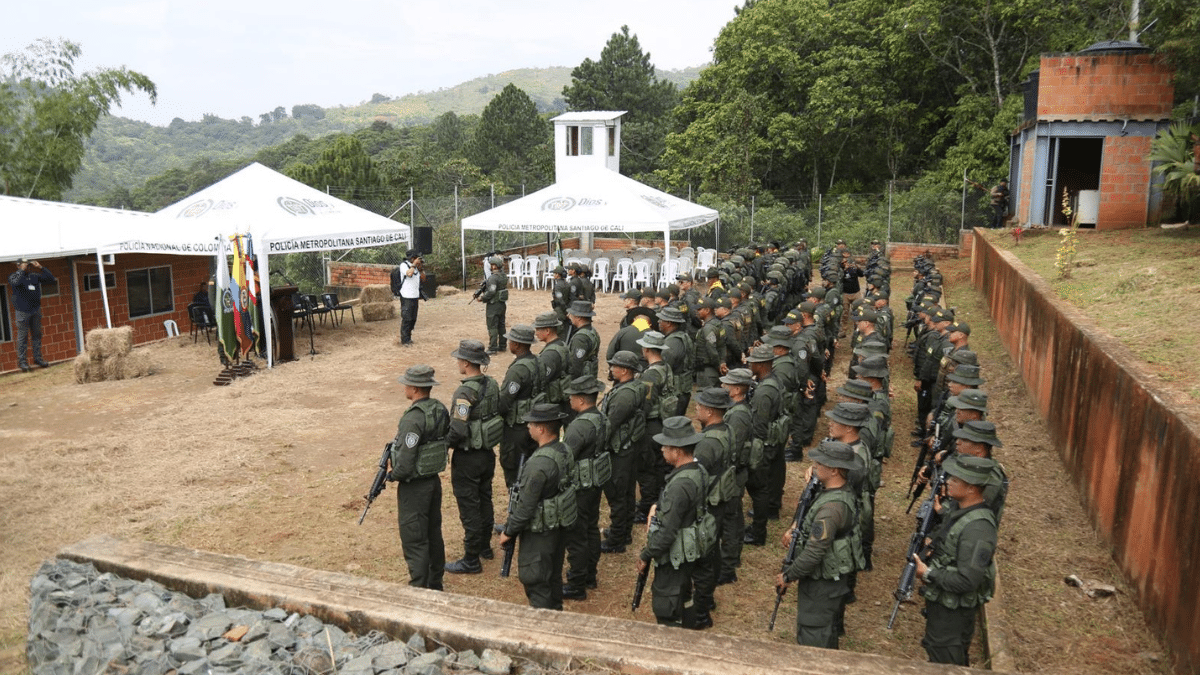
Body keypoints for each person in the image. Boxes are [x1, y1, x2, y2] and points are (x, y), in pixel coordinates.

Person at [775, 441, 865, 649]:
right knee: (826, 629)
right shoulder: (835, 491)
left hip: (822, 584)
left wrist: (789, 575)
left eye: (820, 463)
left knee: (814, 633)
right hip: (829, 581)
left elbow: (814, 553)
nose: (815, 466)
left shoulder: (831, 510)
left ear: (834, 470)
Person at [913, 454, 1000, 666]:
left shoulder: (978, 528)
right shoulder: (960, 510)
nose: (948, 482)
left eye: (955, 480)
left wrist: (928, 573)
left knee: (947, 659)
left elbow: (968, 580)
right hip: (944, 604)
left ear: (971, 488)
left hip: (954, 613)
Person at [499, 403, 578, 610]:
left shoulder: (538, 464)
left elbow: (525, 506)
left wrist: (509, 531)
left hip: (540, 532)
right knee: (552, 577)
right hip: (558, 527)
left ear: (541, 429)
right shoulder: (564, 450)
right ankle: (556, 613)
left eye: (531, 424)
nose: (528, 428)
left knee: (536, 580)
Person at [636, 416, 712, 628]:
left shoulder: (679, 486)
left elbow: (667, 533)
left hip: (675, 556)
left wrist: (645, 555)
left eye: (665, 447)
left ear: (677, 451)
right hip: (691, 550)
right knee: (684, 597)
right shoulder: (699, 470)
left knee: (666, 605)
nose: (661, 450)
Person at [389, 364, 450, 590]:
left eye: (407, 383)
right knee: (434, 532)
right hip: (433, 481)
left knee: (414, 538)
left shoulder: (412, 419)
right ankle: (436, 582)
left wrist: (392, 474)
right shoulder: (439, 409)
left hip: (414, 487)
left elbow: (405, 463)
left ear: (414, 388)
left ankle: (419, 586)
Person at [444, 340, 500, 575]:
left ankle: (471, 559)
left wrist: (443, 445)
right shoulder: (492, 384)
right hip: (487, 455)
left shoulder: (465, 392)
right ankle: (485, 547)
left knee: (469, 507)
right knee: (485, 500)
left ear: (466, 363)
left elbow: (457, 430)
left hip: (468, 458)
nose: (458, 362)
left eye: (459, 359)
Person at [561, 376, 610, 600]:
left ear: (581, 399)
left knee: (577, 535)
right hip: (594, 483)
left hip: (579, 487)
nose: (569, 399)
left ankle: (576, 583)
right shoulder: (601, 418)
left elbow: (566, 457)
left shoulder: (579, 425)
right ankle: (590, 574)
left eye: (572, 395)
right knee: (591, 528)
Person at [599, 350, 646, 553]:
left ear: (624, 370)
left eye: (614, 366)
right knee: (625, 494)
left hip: (619, 451)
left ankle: (617, 539)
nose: (611, 369)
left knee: (618, 495)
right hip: (628, 448)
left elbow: (610, 424)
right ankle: (623, 532)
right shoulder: (631, 387)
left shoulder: (625, 394)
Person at [498, 325, 541, 488]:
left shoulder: (518, 370)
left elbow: (504, 402)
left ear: (516, 344)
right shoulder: (537, 362)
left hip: (517, 428)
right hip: (534, 424)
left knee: (514, 470)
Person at [9, 258, 55, 371]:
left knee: (37, 335)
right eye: (24, 264)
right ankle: (23, 362)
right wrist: (21, 270)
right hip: (22, 311)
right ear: (18, 266)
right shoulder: (14, 276)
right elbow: (15, 282)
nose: (26, 266)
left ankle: (38, 358)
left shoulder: (34, 276)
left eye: (27, 264)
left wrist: (40, 267)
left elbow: (51, 279)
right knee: (22, 338)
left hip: (35, 310)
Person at [534, 312, 571, 415]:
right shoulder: (561, 344)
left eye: (538, 329)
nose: (536, 333)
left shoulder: (549, 354)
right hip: (561, 398)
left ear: (547, 331)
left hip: (552, 402)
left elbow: (542, 379)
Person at [391, 249, 424, 346]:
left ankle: (409, 337)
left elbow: (424, 278)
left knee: (413, 318)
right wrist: (414, 264)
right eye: (416, 258)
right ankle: (405, 340)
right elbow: (409, 274)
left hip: (415, 295)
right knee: (407, 318)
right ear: (412, 258)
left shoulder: (416, 267)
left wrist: (421, 267)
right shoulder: (403, 265)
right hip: (406, 296)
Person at [478, 256, 508, 353]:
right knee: (501, 325)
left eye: (491, 265)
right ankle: (503, 345)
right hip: (502, 304)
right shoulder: (503, 276)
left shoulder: (493, 278)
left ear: (495, 266)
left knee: (492, 326)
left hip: (493, 304)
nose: (491, 267)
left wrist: (482, 298)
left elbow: (491, 291)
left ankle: (493, 347)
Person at [566, 301, 600, 380]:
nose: (569, 316)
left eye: (571, 314)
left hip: (581, 382)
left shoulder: (580, 338)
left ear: (578, 317)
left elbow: (576, 365)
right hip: (589, 378)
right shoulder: (592, 331)